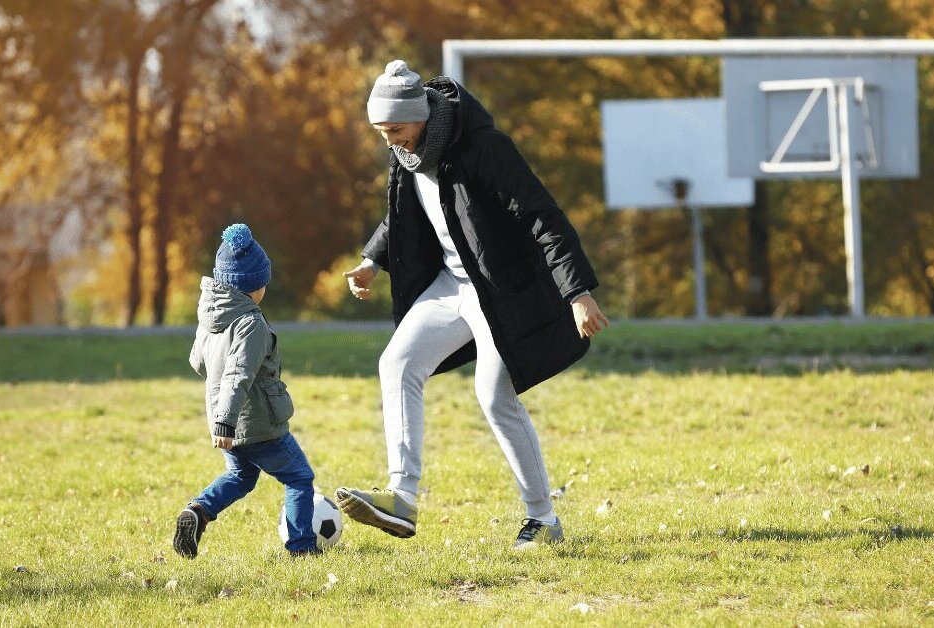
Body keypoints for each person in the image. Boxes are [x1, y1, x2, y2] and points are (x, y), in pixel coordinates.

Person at [335, 60, 609, 550]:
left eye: (394, 128)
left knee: (493, 395)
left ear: (420, 115)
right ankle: (401, 496)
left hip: (499, 291)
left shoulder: (485, 149)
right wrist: (371, 262)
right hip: (449, 286)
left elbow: (542, 217)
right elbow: (400, 214)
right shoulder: (409, 152)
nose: (388, 140)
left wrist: (578, 292)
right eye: (380, 131)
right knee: (397, 362)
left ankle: (543, 519)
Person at [174, 223, 319, 559]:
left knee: (241, 476)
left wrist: (222, 419)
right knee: (299, 478)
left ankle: (198, 511)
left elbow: (198, 362)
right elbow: (239, 373)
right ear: (252, 286)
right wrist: (227, 418)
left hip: (227, 425)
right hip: (256, 423)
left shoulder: (210, 317)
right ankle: (302, 548)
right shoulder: (250, 322)